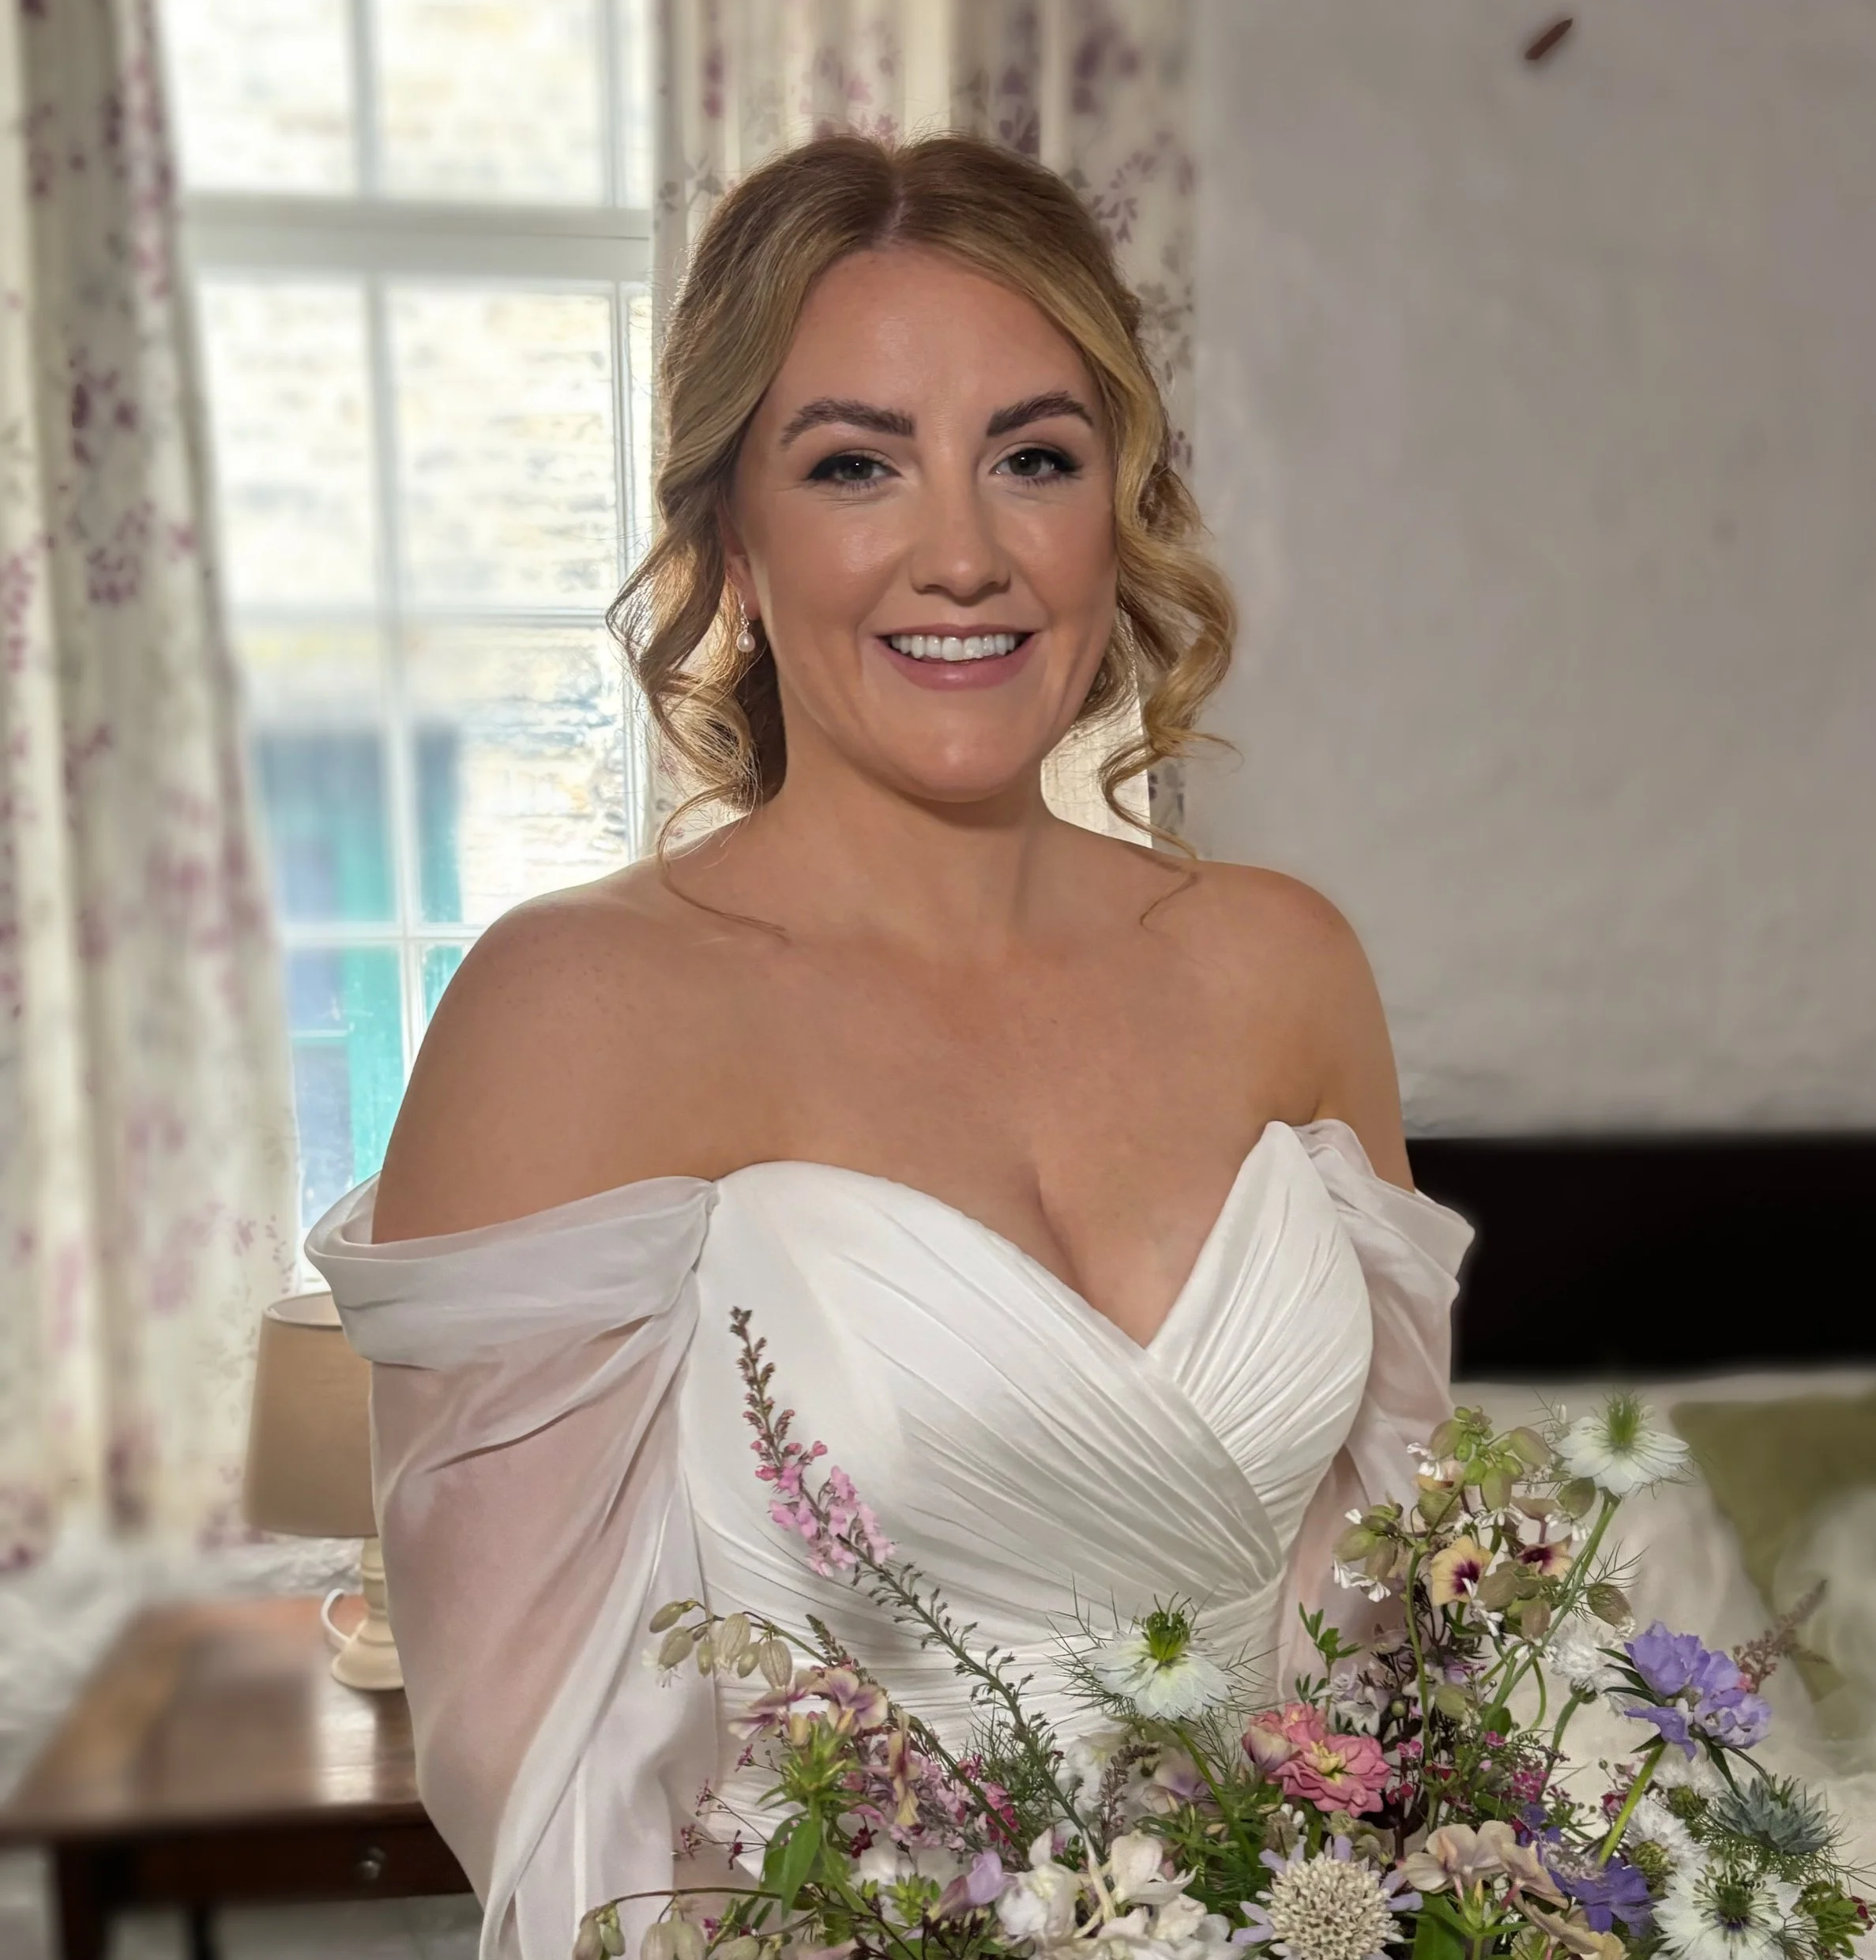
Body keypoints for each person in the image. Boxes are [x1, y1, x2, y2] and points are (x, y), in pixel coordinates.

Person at [306, 131, 1471, 1960]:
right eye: (855, 463)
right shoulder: (568, 1016)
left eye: (1033, 457)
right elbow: (545, 1794)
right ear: (731, 546)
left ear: (1117, 510)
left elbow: (1383, 1638)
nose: (962, 550)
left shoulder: (1283, 968)